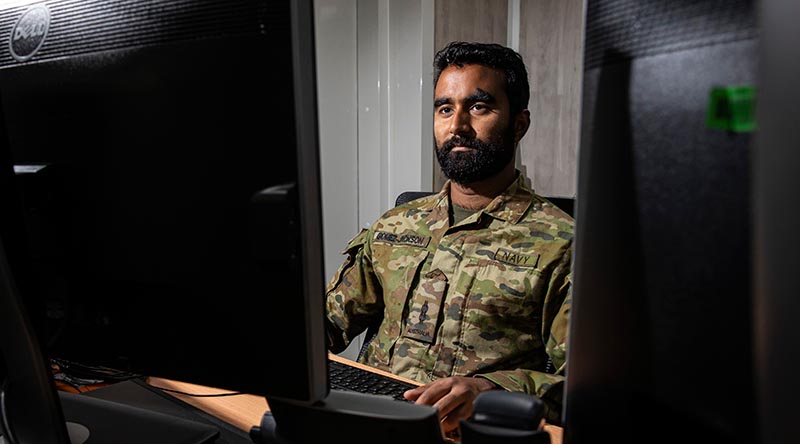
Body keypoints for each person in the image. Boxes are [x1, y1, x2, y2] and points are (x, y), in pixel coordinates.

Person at [325, 41, 574, 435]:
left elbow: (586, 386)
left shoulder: (561, 242)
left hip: (462, 429)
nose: (457, 125)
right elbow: (326, 324)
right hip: (362, 419)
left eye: (479, 107)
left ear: (519, 124)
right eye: (445, 108)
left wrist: (489, 390)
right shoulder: (395, 225)